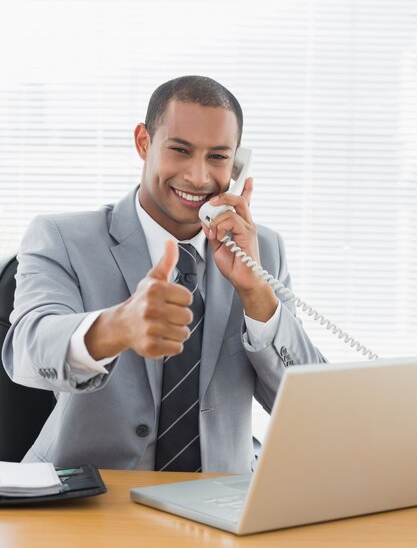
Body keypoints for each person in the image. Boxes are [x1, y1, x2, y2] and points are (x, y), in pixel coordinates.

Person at [3, 76, 326, 473]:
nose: (198, 177)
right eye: (180, 150)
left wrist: (258, 296)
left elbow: (314, 410)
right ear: (143, 142)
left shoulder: (263, 251)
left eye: (218, 157)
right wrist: (117, 326)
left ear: (238, 164)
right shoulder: (62, 237)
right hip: (89, 500)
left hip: (218, 504)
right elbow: (26, 350)